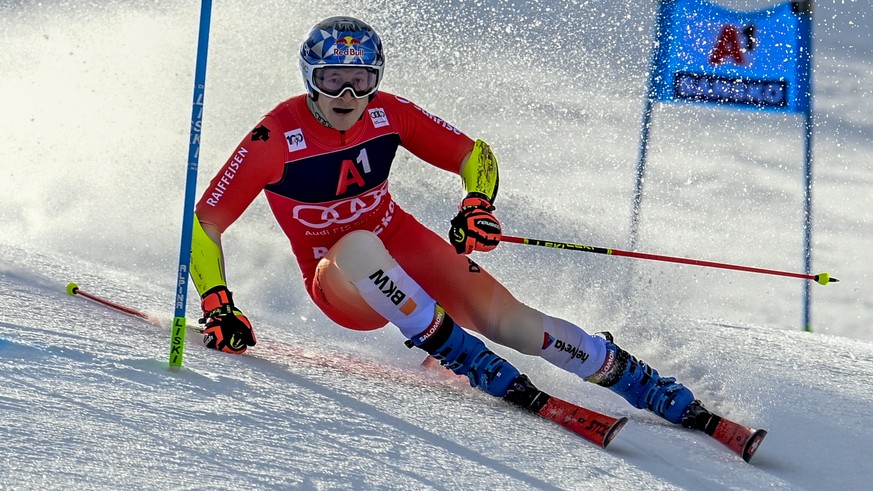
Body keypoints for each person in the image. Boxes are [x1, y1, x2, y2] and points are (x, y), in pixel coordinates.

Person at [190, 16, 712, 428]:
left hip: (402, 245)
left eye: (360, 82)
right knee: (355, 244)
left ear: (376, 81)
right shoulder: (275, 136)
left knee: (513, 321)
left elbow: (473, 154)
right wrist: (218, 305)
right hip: (341, 282)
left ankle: (625, 373)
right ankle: (458, 353)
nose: (346, 98)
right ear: (310, 78)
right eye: (332, 81)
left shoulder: (389, 113)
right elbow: (204, 226)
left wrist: (477, 204)